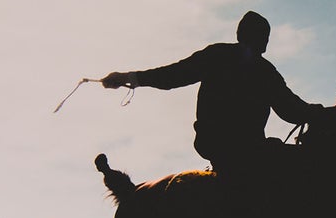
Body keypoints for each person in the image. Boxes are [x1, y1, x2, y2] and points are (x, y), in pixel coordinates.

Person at [102, 12, 324, 182]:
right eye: (265, 38)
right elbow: (292, 110)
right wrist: (322, 113)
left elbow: (172, 76)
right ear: (262, 41)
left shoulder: (219, 56)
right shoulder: (264, 71)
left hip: (217, 145)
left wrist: (129, 78)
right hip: (241, 148)